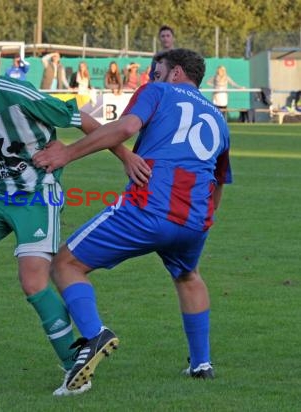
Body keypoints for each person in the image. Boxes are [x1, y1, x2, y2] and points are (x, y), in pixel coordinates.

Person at [0, 33, 149, 396]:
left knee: (33, 282)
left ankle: (75, 371)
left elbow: (83, 120)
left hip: (37, 197)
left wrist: (126, 157)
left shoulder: (21, 95)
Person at [33, 48, 232, 393]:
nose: (152, 78)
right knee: (188, 276)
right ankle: (202, 364)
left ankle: (95, 336)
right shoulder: (219, 119)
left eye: (157, 72)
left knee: (66, 263)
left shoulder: (159, 90)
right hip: (194, 218)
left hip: (149, 206)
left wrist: (67, 152)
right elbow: (218, 181)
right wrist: (205, 219)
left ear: (175, 73)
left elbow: (125, 126)